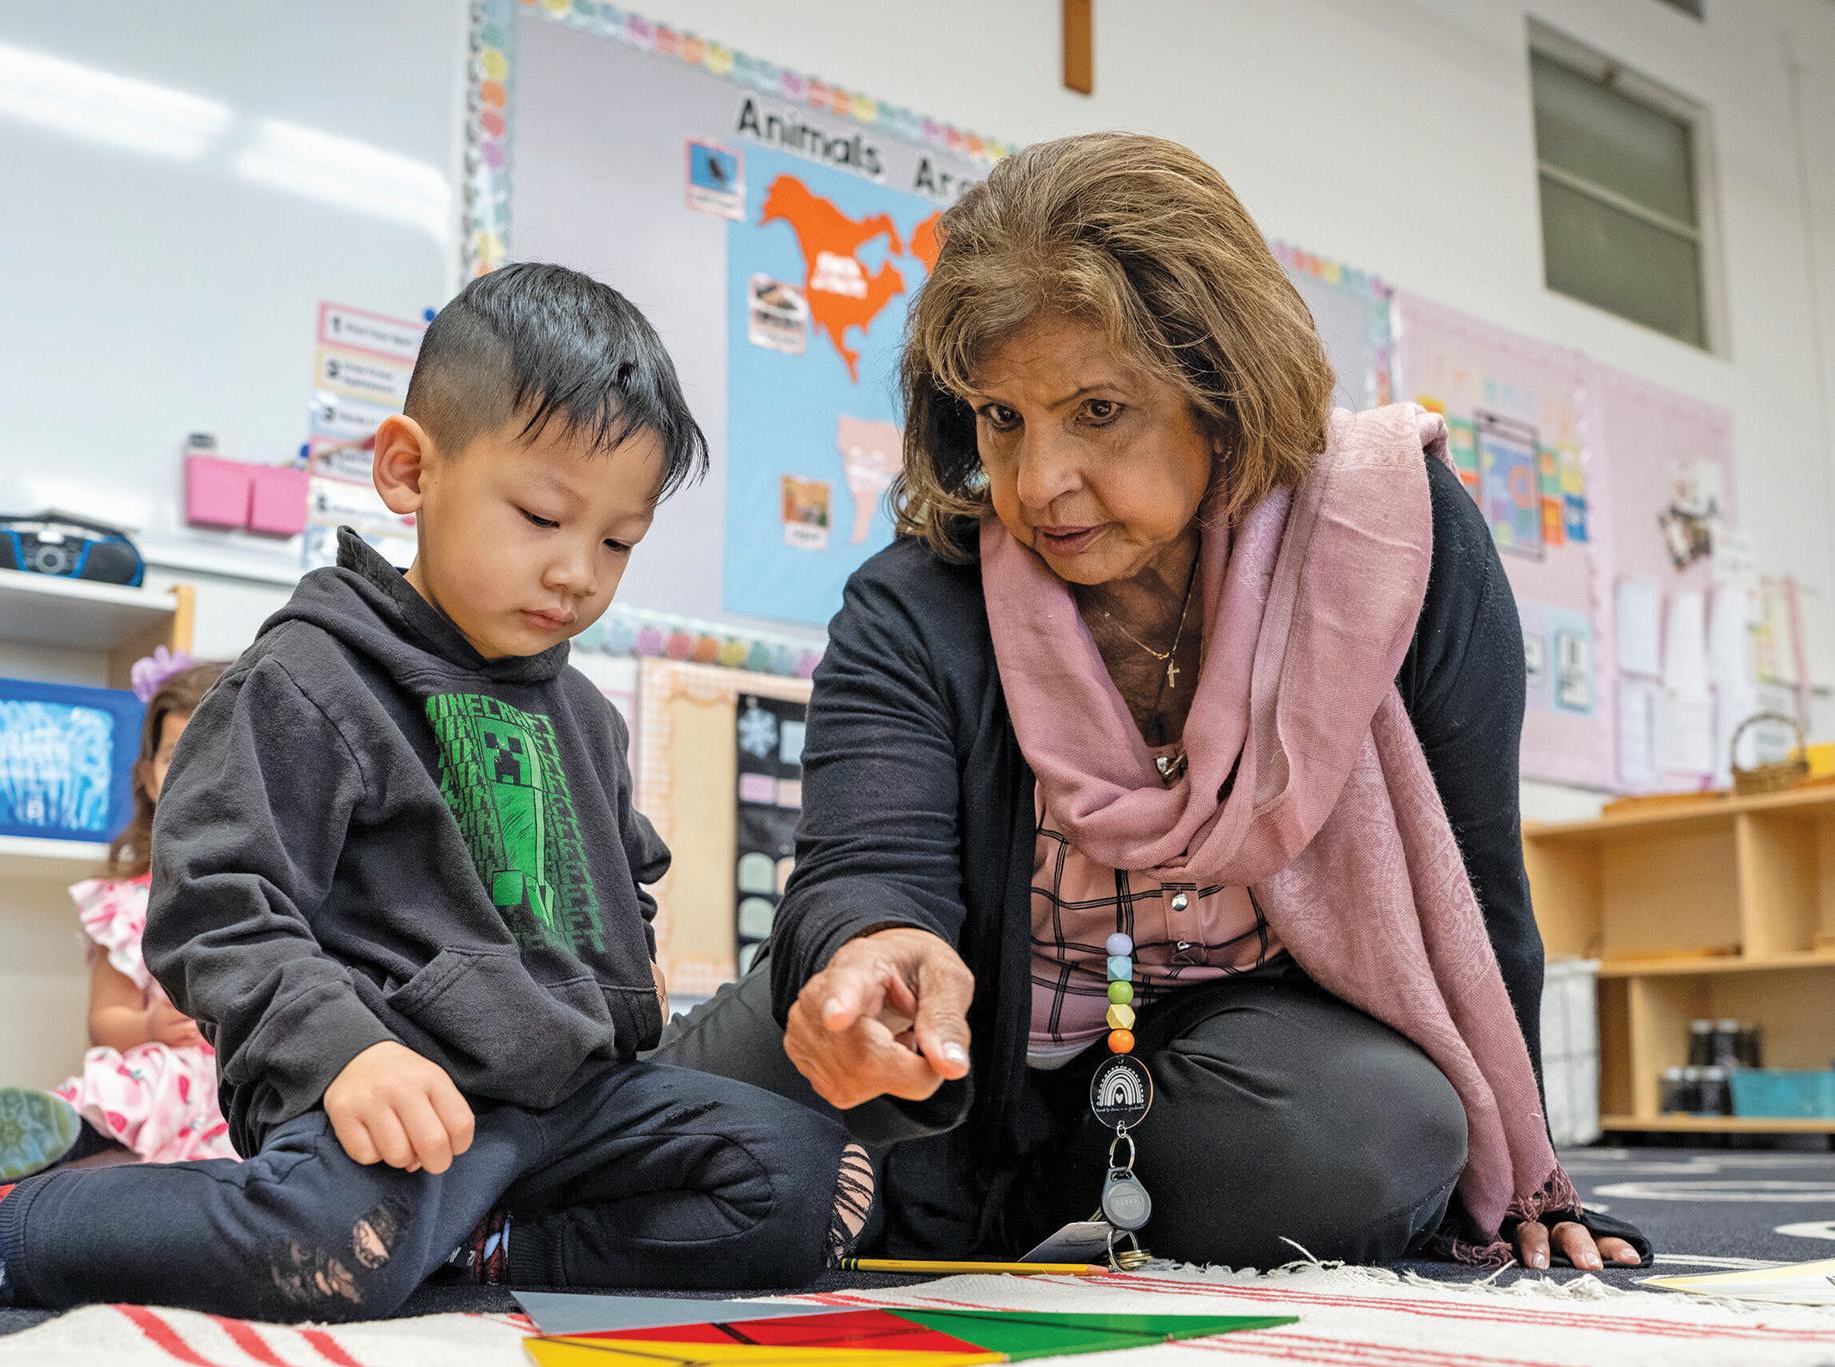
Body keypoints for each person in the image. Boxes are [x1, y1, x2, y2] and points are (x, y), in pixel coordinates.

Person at [0, 261, 853, 1321]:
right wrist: (345, 1051)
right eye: (541, 518)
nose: (579, 572)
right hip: (383, 1091)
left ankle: (477, 1247)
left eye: (618, 541)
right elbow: (214, 903)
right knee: (327, 1241)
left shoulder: (587, 718)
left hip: (567, 1104)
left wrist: (626, 981)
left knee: (806, 1176)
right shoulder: (308, 679)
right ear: (409, 471)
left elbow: (628, 881)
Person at [662, 132, 1650, 1274]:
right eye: (1001, 418)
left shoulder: (1393, 542)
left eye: (1098, 410)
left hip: (1214, 1073)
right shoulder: (918, 602)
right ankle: (950, 1185)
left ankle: (1032, 1195)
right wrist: (875, 956)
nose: (1040, 484)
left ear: (1222, 394)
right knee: (653, 1134)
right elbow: (864, 869)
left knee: (1381, 1132)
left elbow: (1476, 891)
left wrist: (1528, 1175)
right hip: (950, 1065)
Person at [0, 656, 238, 1185]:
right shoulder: (131, 903)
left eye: (216, 753)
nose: (196, 773)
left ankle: (45, 1164)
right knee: (126, 1091)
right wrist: (149, 1027)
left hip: (242, 1090)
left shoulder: (294, 890)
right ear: (147, 778)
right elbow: (106, 1021)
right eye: (176, 756)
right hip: (170, 1075)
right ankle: (6, 1150)